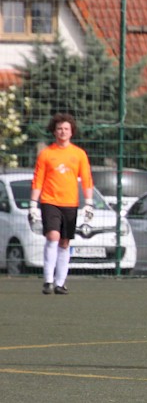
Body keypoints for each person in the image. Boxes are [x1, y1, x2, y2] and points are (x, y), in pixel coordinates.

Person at [29, 113, 94, 295]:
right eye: (59, 129)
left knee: (65, 242)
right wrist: (33, 205)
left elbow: (87, 179)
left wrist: (89, 203)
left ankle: (60, 283)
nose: (63, 132)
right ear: (54, 131)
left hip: (70, 203)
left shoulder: (79, 154)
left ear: (71, 132)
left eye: (66, 129)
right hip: (50, 201)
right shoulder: (46, 154)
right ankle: (48, 281)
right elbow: (38, 180)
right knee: (53, 237)